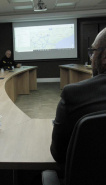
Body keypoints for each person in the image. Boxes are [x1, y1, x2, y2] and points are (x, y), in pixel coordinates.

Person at [50, 28, 106, 167]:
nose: (91, 58)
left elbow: (58, 154)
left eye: (93, 52)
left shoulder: (74, 94)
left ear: (105, 57)